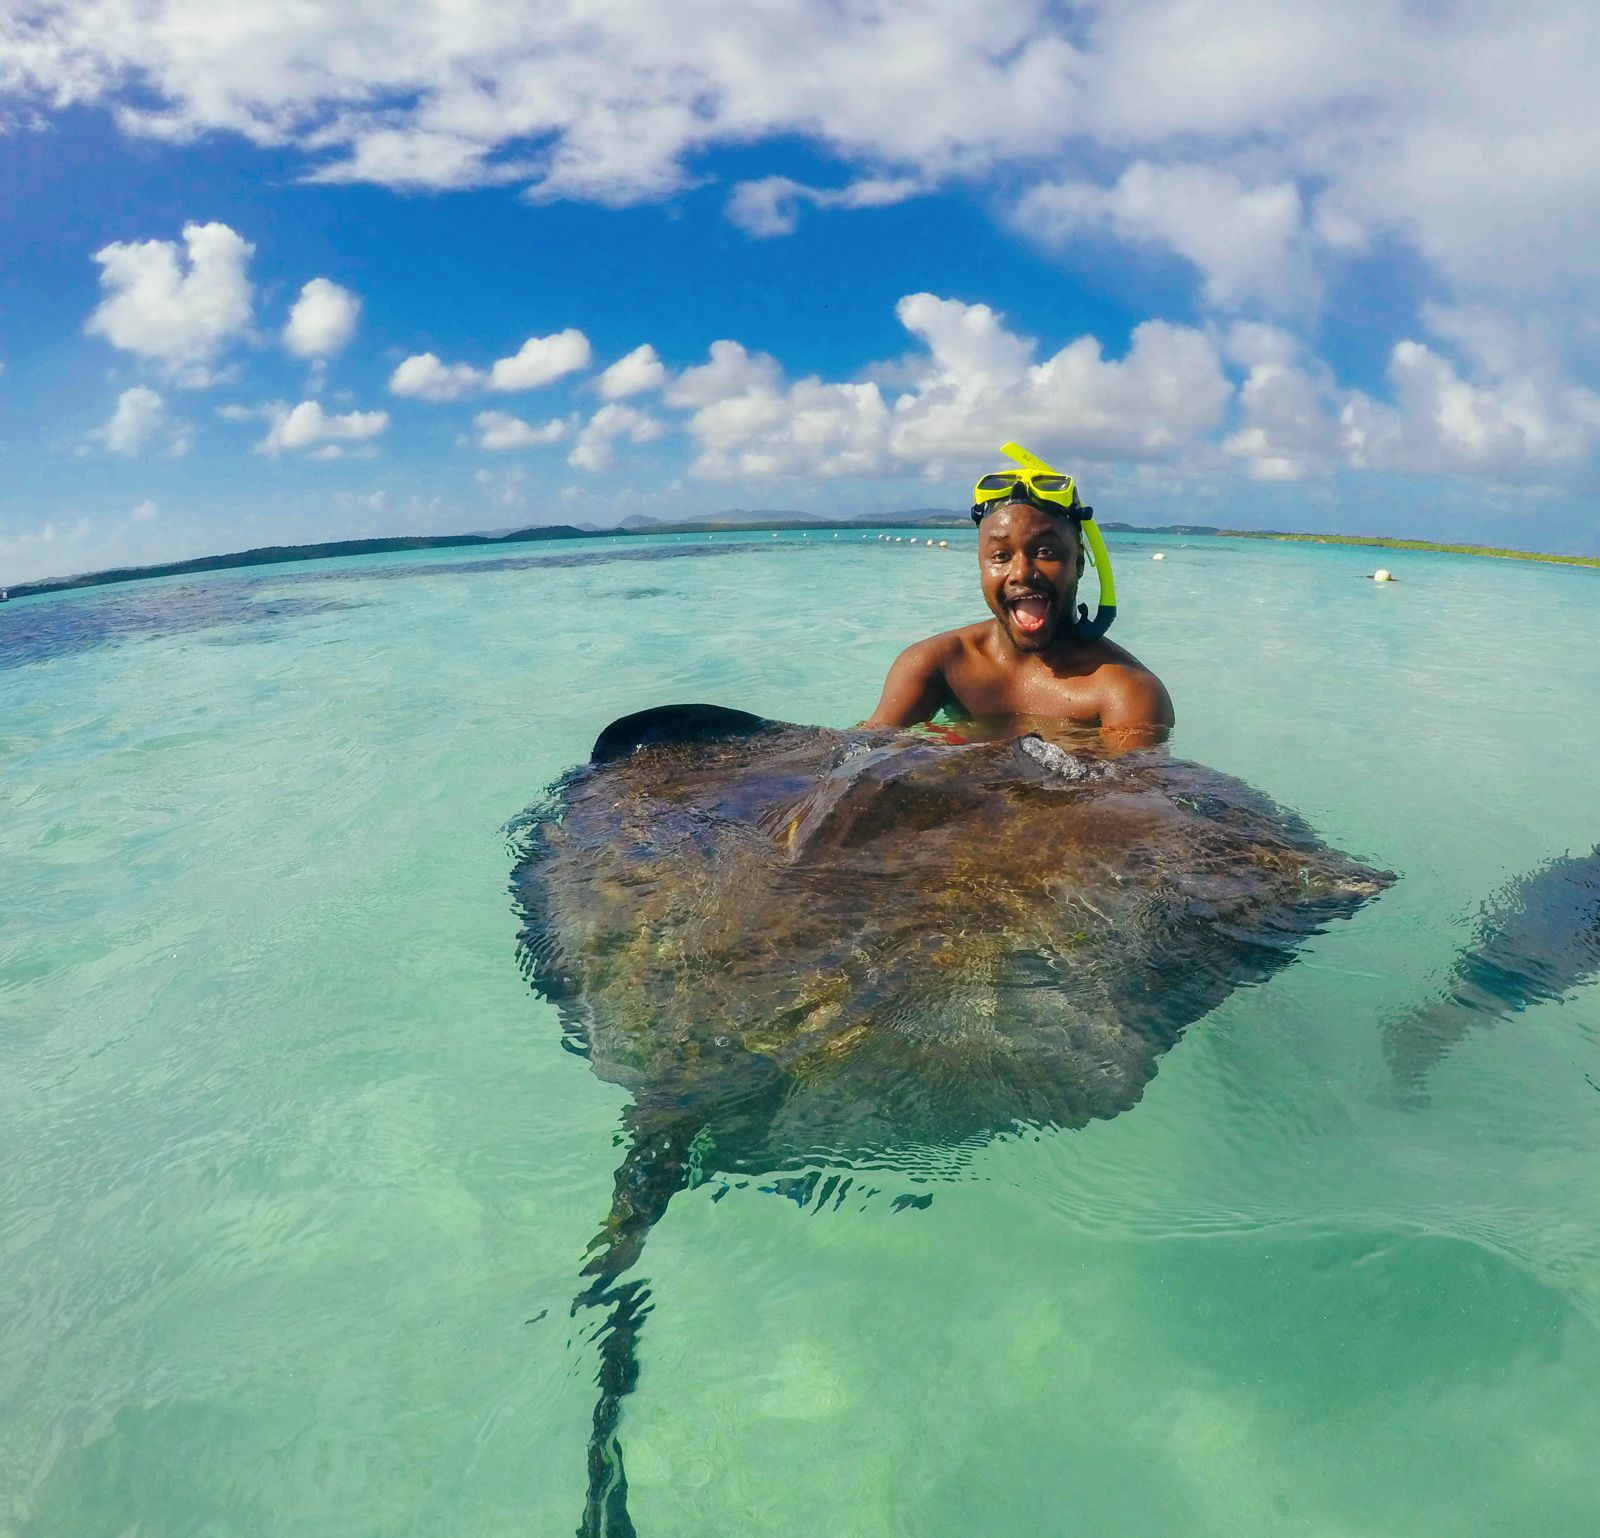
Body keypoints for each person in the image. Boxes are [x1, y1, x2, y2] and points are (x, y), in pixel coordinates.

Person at [864, 447, 1174, 749]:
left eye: (1046, 552)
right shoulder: (937, 663)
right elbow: (861, 757)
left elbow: (1131, 796)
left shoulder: (1126, 691)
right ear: (981, 564)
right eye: (1000, 555)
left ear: (1078, 563)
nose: (1021, 573)